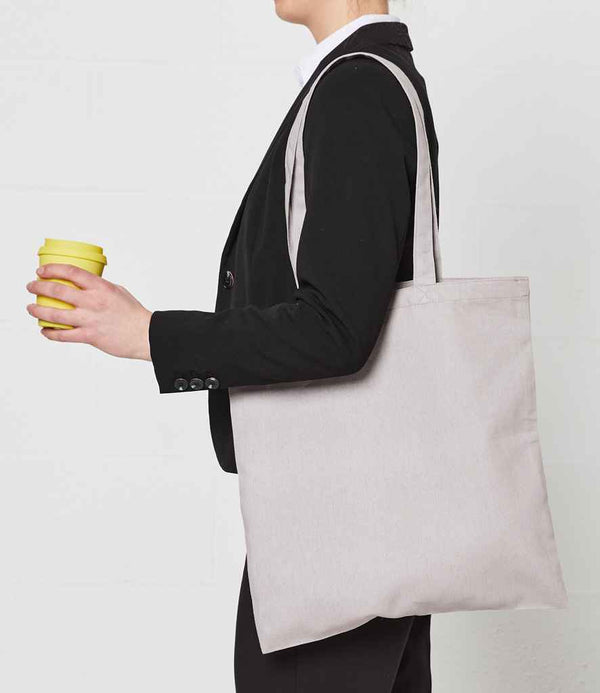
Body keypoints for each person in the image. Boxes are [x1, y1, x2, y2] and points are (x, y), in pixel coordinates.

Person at [25, 0, 439, 689]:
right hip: (369, 514)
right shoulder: (366, 79)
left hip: (336, 525)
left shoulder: (358, 85)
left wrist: (149, 333)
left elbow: (337, 327)